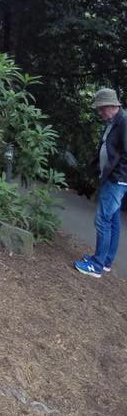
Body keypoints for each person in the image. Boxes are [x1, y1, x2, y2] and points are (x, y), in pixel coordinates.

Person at [73, 88, 127, 278]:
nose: (99, 112)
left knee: (103, 219)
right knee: (112, 219)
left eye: (101, 109)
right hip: (110, 177)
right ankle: (105, 261)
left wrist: (114, 175)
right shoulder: (113, 121)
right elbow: (107, 147)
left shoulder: (124, 122)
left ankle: (96, 265)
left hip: (116, 180)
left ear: (111, 106)